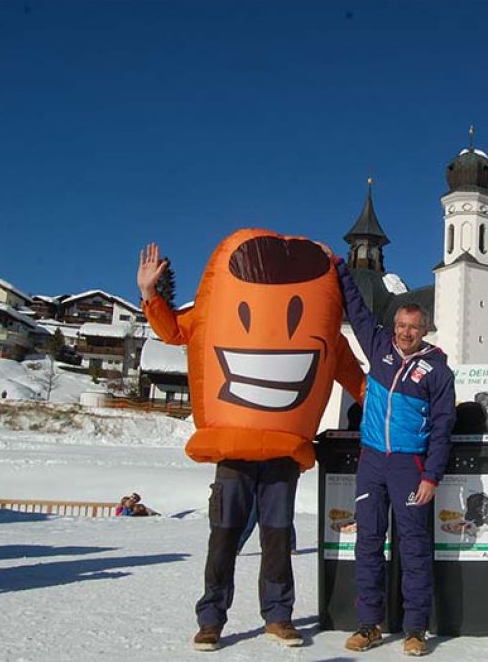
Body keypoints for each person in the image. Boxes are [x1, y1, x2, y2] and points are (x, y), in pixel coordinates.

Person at [136, 239, 366, 652]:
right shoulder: (212, 314)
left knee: (277, 538)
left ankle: (278, 616)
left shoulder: (328, 335)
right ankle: (211, 619)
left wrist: (407, 410)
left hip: (281, 456)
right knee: (223, 537)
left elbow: (360, 384)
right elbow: (172, 331)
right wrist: (150, 293)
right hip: (233, 455)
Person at [323, 246, 454, 657]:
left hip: (410, 466)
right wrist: (339, 267)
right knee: (368, 544)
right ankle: (370, 625)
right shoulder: (378, 346)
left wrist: (431, 475)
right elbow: (357, 308)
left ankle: (416, 628)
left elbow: (443, 425)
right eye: (400, 325)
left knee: (413, 546)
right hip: (372, 461)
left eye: (413, 327)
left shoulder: (437, 370)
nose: (404, 332)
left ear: (425, 329)